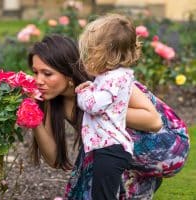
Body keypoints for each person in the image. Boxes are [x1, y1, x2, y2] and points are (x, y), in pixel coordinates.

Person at [27, 33, 189, 199]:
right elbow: (53, 158)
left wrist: (95, 108)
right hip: (119, 152)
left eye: (47, 74)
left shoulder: (106, 79)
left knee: (96, 157)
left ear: (68, 73)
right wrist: (33, 117)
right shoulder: (51, 100)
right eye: (35, 72)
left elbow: (153, 121)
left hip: (168, 145)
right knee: (90, 169)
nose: (38, 80)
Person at [73, 14, 144, 199]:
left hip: (111, 150)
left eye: (91, 52)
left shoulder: (114, 78)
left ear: (106, 52)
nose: (88, 57)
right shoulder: (113, 76)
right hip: (109, 149)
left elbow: (93, 105)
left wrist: (83, 93)